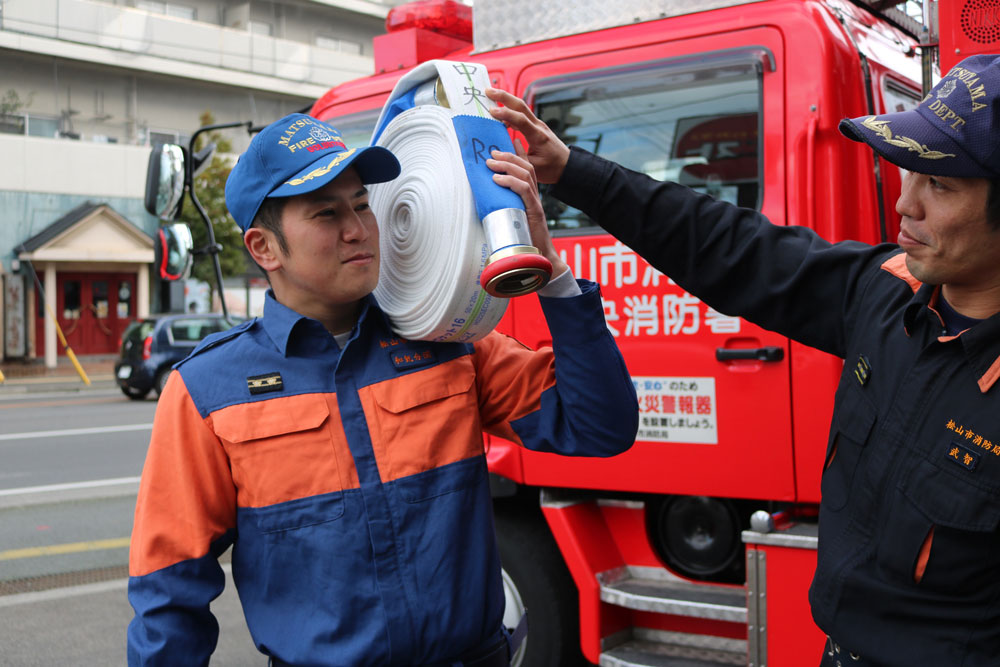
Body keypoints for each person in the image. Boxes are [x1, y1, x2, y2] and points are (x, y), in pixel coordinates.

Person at [485, 53, 1000, 666]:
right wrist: (571, 170)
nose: (904, 205)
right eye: (906, 173)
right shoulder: (886, 292)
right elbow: (727, 245)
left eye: (938, 183)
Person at [126, 113, 639, 666]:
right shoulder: (207, 391)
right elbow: (169, 592)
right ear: (264, 248)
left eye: (362, 205)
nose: (358, 229)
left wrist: (553, 273)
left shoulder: (450, 340)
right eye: (326, 213)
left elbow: (599, 428)